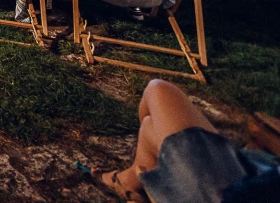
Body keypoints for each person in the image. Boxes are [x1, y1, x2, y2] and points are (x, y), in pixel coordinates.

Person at [98, 79, 280, 203]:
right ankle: (132, 180)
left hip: (235, 195)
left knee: (158, 90)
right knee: (149, 126)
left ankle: (135, 180)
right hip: (259, 180)